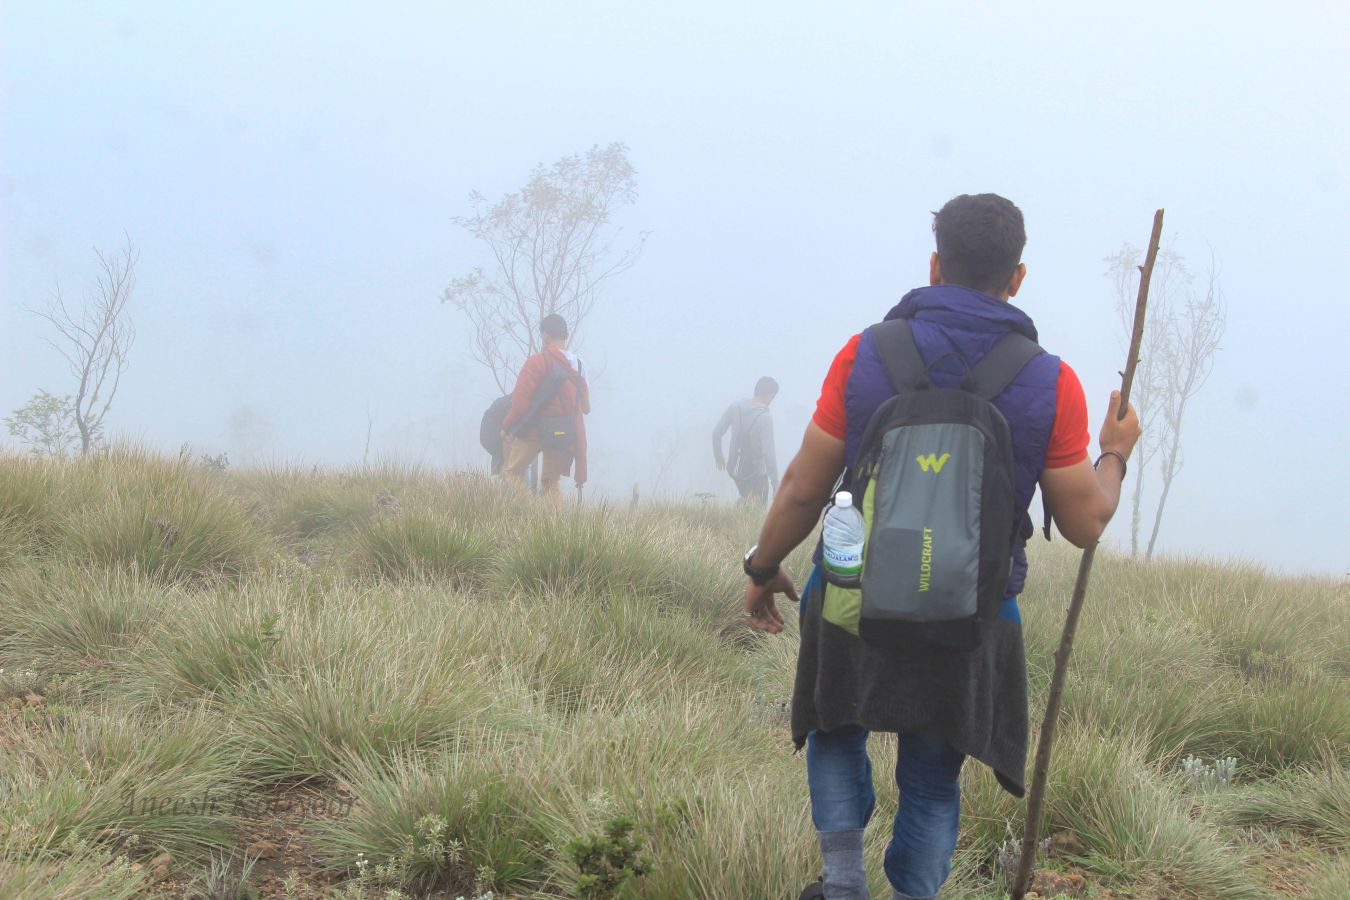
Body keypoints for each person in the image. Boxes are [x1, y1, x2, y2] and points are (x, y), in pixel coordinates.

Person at [738, 194, 1141, 900]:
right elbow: (1085, 524)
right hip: (972, 616)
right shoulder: (1051, 381)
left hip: (849, 602)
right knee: (931, 774)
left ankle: (840, 884)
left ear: (933, 265)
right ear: (1017, 278)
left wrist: (763, 567)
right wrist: (1114, 454)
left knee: (836, 728)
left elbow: (804, 488)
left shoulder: (866, 353)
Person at [500, 314, 590, 501]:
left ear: (546, 336)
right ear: (566, 335)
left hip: (533, 431)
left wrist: (506, 426)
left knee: (513, 473)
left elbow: (520, 403)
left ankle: (526, 514)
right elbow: (586, 408)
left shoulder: (537, 362)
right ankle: (552, 525)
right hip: (562, 434)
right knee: (551, 483)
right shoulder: (580, 367)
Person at [712, 376, 780, 506]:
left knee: (747, 498)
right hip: (757, 474)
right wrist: (776, 485)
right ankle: (740, 514)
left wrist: (718, 455)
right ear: (770, 395)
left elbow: (716, 433)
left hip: (735, 469)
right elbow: (768, 454)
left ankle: (740, 510)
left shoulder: (735, 407)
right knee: (758, 511)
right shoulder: (765, 418)